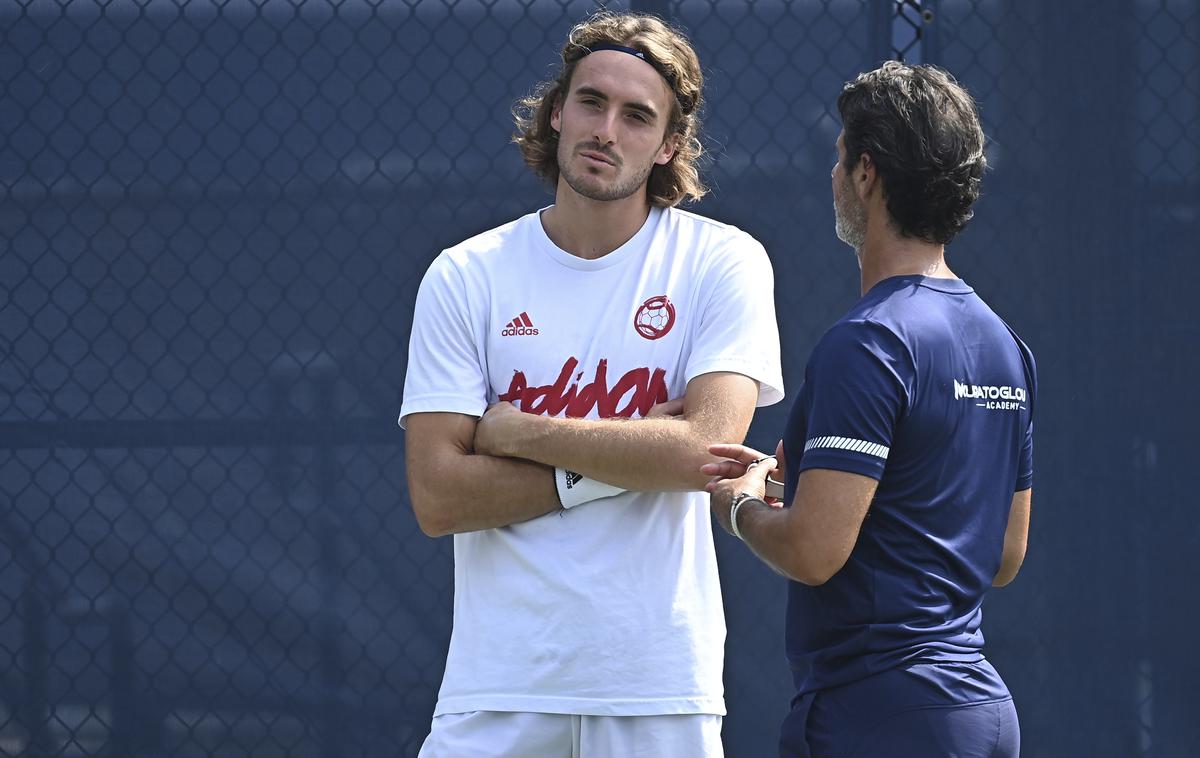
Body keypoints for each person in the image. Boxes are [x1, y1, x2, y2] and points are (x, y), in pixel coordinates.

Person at [399, 11, 783, 757]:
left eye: (637, 116)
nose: (607, 129)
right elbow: (439, 496)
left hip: (656, 687)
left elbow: (708, 449)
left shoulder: (722, 262)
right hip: (498, 688)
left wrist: (517, 433)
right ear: (556, 112)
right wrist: (630, 459)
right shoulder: (465, 274)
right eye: (590, 102)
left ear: (670, 144)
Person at [704, 62, 1035, 758]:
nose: (834, 174)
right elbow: (1002, 555)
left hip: (878, 717)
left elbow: (813, 551)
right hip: (979, 716)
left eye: (838, 156)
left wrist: (736, 506)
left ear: (866, 175)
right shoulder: (1006, 346)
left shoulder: (867, 343)